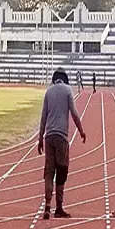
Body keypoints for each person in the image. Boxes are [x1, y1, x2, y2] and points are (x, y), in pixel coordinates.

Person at [38, 68, 87, 219]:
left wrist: (40, 138)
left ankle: (47, 206)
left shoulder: (48, 92)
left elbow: (43, 117)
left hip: (49, 137)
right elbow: (74, 113)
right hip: (61, 137)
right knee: (62, 171)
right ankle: (58, 207)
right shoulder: (67, 90)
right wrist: (81, 131)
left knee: (49, 172)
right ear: (65, 79)